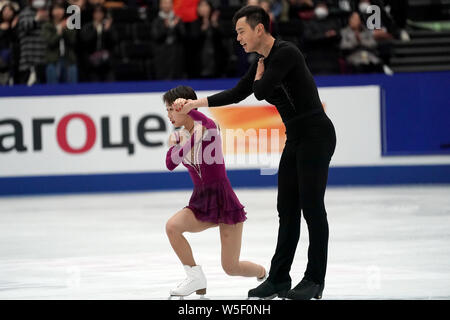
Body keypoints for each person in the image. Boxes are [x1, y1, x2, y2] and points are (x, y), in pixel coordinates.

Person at [176, 5, 336, 300]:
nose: (238, 38)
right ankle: (278, 279)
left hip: (316, 134)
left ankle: (315, 280)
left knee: (312, 208)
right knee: (286, 210)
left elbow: (261, 92)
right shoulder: (261, 61)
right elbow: (238, 92)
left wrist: (260, 76)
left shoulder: (286, 53)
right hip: (297, 137)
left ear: (259, 28)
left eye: (241, 31)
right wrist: (196, 104)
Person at [164, 85, 266, 298]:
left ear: (185, 107)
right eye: (168, 110)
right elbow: (170, 163)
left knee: (231, 267)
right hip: (200, 202)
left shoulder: (208, 126)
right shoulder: (177, 137)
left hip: (224, 201)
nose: (169, 115)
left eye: (173, 109)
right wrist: (190, 140)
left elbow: (208, 124)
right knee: (173, 227)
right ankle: (195, 277)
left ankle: (265, 273)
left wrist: (190, 108)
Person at [42, 1, 78, 83]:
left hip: (69, 61)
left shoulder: (69, 24)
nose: (58, 11)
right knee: (53, 91)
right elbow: (50, 42)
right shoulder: (47, 26)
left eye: (60, 8)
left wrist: (65, 28)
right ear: (51, 11)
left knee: (71, 90)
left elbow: (73, 40)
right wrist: (59, 31)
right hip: (53, 61)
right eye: (55, 9)